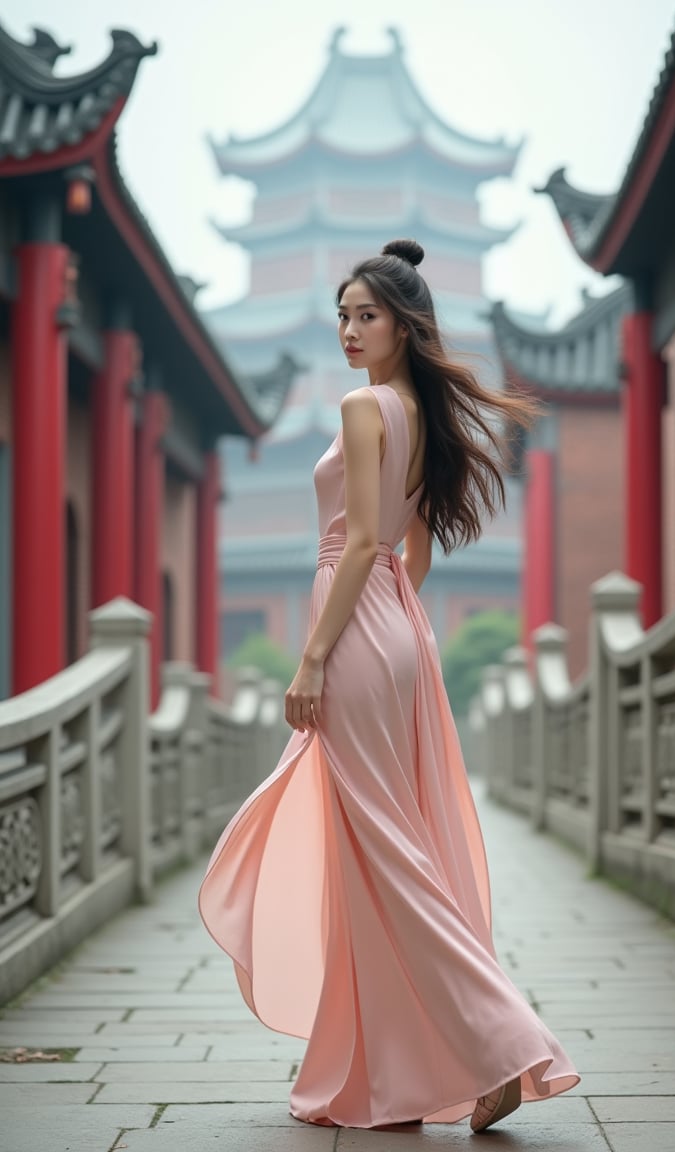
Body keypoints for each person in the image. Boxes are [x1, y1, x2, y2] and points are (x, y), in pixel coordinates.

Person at [198, 238, 580, 1132]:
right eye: (342, 314)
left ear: (404, 326)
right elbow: (411, 548)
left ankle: (510, 1045)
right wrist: (394, 617)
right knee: (376, 850)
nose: (348, 329)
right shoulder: (417, 409)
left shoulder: (365, 406)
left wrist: (314, 657)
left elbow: (365, 541)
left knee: (388, 852)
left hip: (359, 629)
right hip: (394, 627)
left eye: (366, 315)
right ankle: (391, 1072)